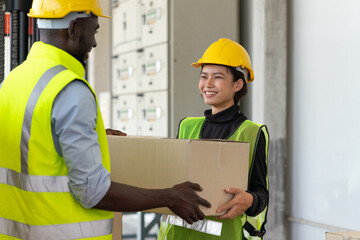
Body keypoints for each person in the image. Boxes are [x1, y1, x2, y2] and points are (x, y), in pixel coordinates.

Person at [0, 0, 210, 239]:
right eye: (94, 30)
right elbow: (92, 192)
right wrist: (168, 196)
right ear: (74, 28)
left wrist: (93, 135)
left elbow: (34, 143)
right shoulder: (69, 89)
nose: (95, 42)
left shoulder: (13, 80)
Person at [157, 38, 269, 240]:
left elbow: (261, 193)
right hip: (177, 235)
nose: (207, 84)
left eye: (217, 77)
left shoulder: (252, 132)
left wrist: (250, 199)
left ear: (238, 84)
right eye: (203, 76)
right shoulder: (187, 126)